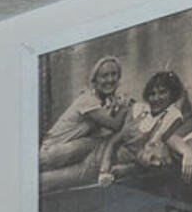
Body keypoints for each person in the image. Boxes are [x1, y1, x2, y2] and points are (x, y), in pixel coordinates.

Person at [39, 55, 129, 189]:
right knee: (100, 144)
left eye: (114, 74)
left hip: (63, 149)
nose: (110, 80)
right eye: (104, 76)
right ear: (95, 80)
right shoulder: (88, 100)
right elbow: (115, 125)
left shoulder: (103, 101)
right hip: (51, 151)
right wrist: (125, 106)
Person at [98, 71, 189, 185]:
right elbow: (114, 141)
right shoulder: (140, 110)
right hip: (103, 157)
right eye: (152, 94)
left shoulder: (172, 116)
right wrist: (104, 169)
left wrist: (126, 169)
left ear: (172, 94)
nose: (156, 98)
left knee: (69, 178)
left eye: (162, 92)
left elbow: (150, 156)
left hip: (119, 168)